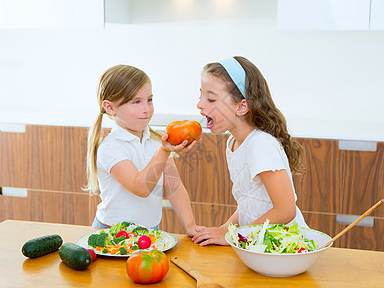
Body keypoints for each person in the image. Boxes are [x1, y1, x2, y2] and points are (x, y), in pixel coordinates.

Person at [193, 56, 308, 246]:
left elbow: (286, 210)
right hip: (258, 243)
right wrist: (226, 228)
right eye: (201, 96)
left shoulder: (260, 145)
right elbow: (251, 202)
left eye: (211, 98)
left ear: (242, 106)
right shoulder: (234, 142)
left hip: (285, 245)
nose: (200, 104)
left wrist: (237, 237)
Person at [83, 64, 202, 237]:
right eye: (136, 102)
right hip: (112, 234)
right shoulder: (110, 148)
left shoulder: (155, 142)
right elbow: (141, 188)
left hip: (149, 233)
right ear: (110, 107)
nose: (146, 109)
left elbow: (173, 186)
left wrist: (191, 225)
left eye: (150, 100)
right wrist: (164, 151)